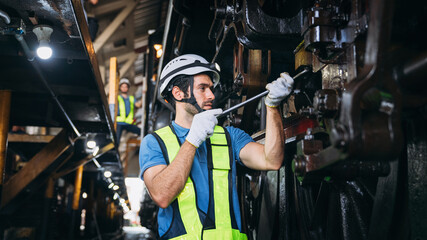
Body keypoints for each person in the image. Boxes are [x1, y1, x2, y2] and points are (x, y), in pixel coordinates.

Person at [139, 54, 293, 239]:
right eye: (202, 88)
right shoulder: (154, 142)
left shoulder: (230, 136)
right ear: (178, 93)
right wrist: (192, 140)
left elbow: (272, 160)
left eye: (211, 88)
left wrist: (272, 106)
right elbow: (162, 195)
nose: (211, 95)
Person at [116, 78, 142, 142]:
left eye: (126, 87)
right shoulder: (117, 98)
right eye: (123, 87)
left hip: (128, 123)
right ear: (120, 88)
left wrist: (143, 96)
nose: (124, 88)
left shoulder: (131, 98)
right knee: (116, 141)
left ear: (128, 88)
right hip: (119, 123)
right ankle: (114, 151)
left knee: (142, 132)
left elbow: (138, 105)